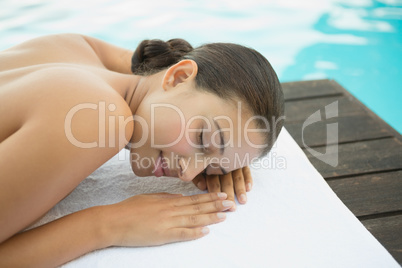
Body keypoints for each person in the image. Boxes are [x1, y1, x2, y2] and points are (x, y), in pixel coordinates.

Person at [0, 33, 284, 267]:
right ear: (177, 76)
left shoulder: (77, 48)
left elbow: (144, 71)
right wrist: (107, 225)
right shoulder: (99, 120)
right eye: (202, 139)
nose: (188, 175)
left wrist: (225, 155)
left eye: (209, 168)